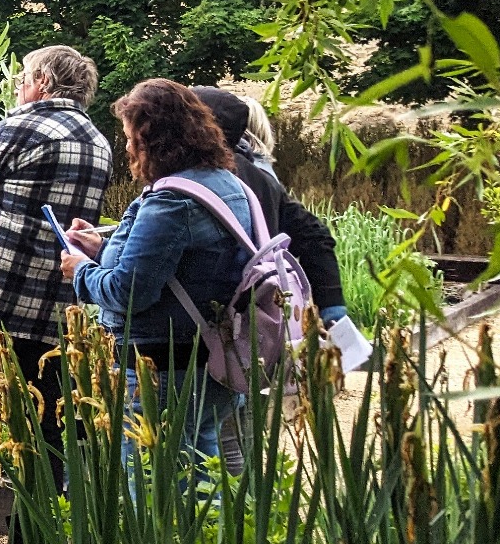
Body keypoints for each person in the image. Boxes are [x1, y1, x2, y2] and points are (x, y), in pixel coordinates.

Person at [0, 45, 114, 544]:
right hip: (58, 313)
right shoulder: (99, 141)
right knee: (46, 437)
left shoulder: (23, 126)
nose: (18, 88)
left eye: (22, 78)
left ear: (41, 80)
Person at [61, 80, 257, 461]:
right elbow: (180, 267)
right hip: (212, 359)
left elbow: (127, 292)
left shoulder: (170, 201)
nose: (128, 148)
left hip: (162, 370)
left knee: (154, 491)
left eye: (131, 138)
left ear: (152, 140)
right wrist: (102, 249)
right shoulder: (227, 184)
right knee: (201, 478)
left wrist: (81, 269)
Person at [190, 87, 345, 322]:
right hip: (262, 319)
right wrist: (333, 310)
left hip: (206, 327)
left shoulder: (198, 179)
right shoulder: (260, 176)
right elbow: (315, 234)